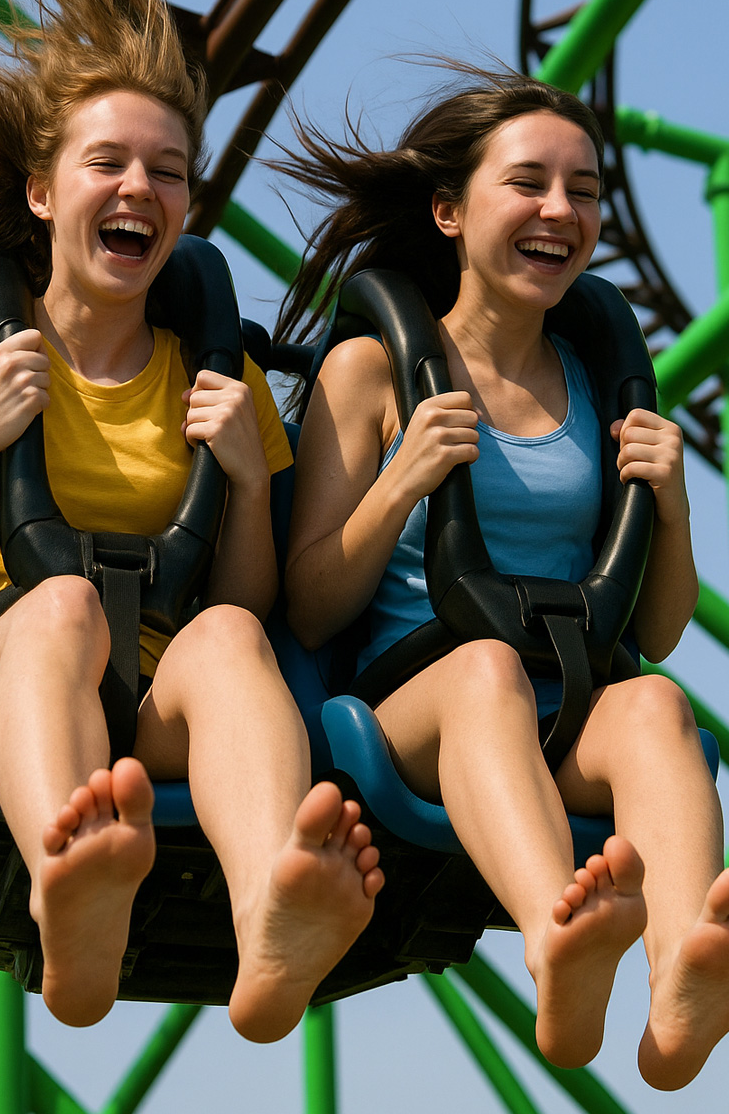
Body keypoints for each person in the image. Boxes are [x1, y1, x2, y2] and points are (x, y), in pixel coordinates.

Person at [0, 0, 383, 1039]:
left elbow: (249, 605)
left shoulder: (208, 375)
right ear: (43, 193)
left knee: (226, 641)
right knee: (63, 605)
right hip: (1, 680)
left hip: (159, 692)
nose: (141, 187)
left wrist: (237, 472)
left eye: (169, 172)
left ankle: (271, 914)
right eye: (110, 163)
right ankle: (65, 877)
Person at [278, 64, 729, 1089]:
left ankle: (680, 986)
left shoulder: (589, 380)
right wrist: (398, 484)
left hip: (558, 710)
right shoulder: (369, 371)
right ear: (447, 210)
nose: (558, 211)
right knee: (483, 669)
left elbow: (649, 632)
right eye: (528, 183)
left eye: (582, 190)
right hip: (408, 715)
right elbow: (305, 606)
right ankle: (552, 938)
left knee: (657, 707)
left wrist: (670, 505)